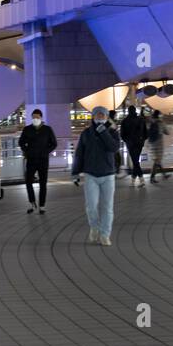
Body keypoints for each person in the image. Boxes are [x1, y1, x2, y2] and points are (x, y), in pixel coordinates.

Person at [72, 106, 121, 245]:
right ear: (93, 116)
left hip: (108, 174)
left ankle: (105, 234)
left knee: (107, 207)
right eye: (97, 115)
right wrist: (75, 172)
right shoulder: (86, 133)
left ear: (107, 117)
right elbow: (79, 153)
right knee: (91, 206)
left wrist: (104, 132)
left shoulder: (113, 132)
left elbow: (114, 147)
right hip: (91, 174)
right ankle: (94, 227)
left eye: (103, 115)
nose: (100, 117)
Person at [18, 108, 57, 213]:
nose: (35, 119)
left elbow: (54, 143)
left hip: (43, 160)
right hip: (31, 160)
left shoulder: (47, 129)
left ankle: (42, 206)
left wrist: (46, 151)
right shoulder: (27, 129)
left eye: (37, 117)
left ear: (41, 117)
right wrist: (27, 151)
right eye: (33, 117)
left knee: (43, 183)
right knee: (28, 181)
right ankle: (32, 202)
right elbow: (21, 142)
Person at [119, 105, 147, 188]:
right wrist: (142, 140)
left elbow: (122, 134)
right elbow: (145, 132)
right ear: (135, 110)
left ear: (128, 111)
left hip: (130, 144)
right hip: (139, 143)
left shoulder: (125, 121)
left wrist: (127, 141)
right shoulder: (141, 119)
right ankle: (133, 181)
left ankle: (141, 180)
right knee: (136, 161)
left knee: (135, 161)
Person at [147, 112, 170, 183]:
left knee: (157, 161)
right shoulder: (161, 123)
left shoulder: (149, 123)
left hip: (150, 144)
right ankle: (152, 178)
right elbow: (167, 132)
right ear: (159, 116)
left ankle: (164, 175)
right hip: (159, 144)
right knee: (157, 161)